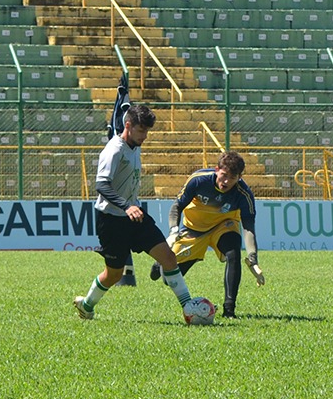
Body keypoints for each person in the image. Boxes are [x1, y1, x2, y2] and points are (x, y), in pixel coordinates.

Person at [73, 105, 192, 320]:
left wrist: (130, 207)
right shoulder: (114, 150)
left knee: (168, 257)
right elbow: (101, 185)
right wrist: (126, 206)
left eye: (147, 131)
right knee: (114, 274)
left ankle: (189, 308)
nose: (144, 136)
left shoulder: (134, 145)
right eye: (141, 131)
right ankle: (87, 305)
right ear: (127, 126)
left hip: (135, 217)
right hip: (111, 221)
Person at [150, 151, 264, 319]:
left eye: (232, 178)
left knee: (233, 254)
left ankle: (229, 310)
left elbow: (248, 226)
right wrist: (173, 231)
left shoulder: (244, 194)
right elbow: (177, 206)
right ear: (217, 169)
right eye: (224, 175)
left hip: (223, 225)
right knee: (168, 279)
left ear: (239, 177)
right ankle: (160, 263)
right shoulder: (198, 180)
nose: (226, 181)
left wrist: (253, 259)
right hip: (193, 230)